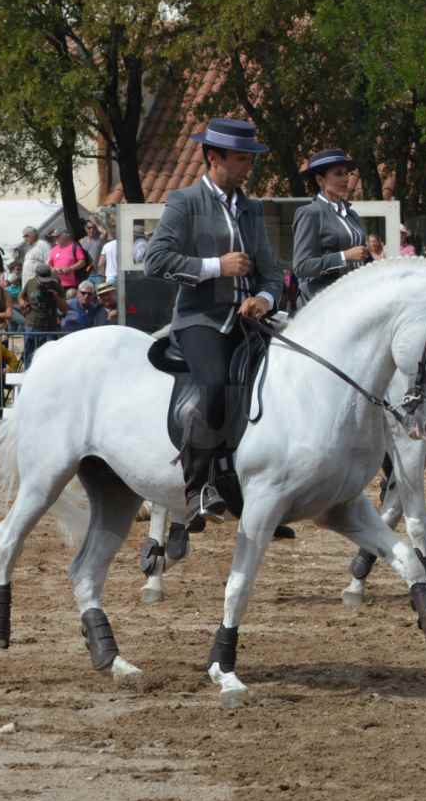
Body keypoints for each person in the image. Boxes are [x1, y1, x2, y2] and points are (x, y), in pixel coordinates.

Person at [145, 117, 283, 520]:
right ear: (213, 157)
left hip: (248, 322)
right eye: (241, 158)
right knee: (215, 384)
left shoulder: (253, 209)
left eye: (249, 158)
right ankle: (198, 486)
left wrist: (263, 297)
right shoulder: (184, 201)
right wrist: (215, 266)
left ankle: (261, 490)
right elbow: (155, 259)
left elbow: (271, 271)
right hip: (200, 320)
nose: (248, 166)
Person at [292, 148, 368, 303]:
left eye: (347, 173)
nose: (346, 178)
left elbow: (362, 256)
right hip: (322, 304)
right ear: (320, 180)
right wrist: (344, 256)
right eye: (338, 173)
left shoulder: (352, 214)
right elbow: (302, 266)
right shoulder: (310, 213)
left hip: (355, 297)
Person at [19, 264, 66, 367]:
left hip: (50, 327)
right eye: (42, 281)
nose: (45, 284)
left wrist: (56, 297)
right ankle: (28, 375)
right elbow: (21, 297)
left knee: (50, 356)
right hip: (32, 325)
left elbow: (64, 309)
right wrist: (23, 303)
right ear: (36, 276)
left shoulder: (56, 285)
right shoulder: (30, 283)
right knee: (29, 355)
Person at [46, 224, 90, 291]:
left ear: (65, 236)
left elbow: (82, 262)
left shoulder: (74, 247)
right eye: (54, 237)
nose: (55, 239)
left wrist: (70, 269)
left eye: (58, 236)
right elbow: (49, 264)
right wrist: (53, 269)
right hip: (58, 284)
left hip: (73, 284)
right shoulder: (53, 250)